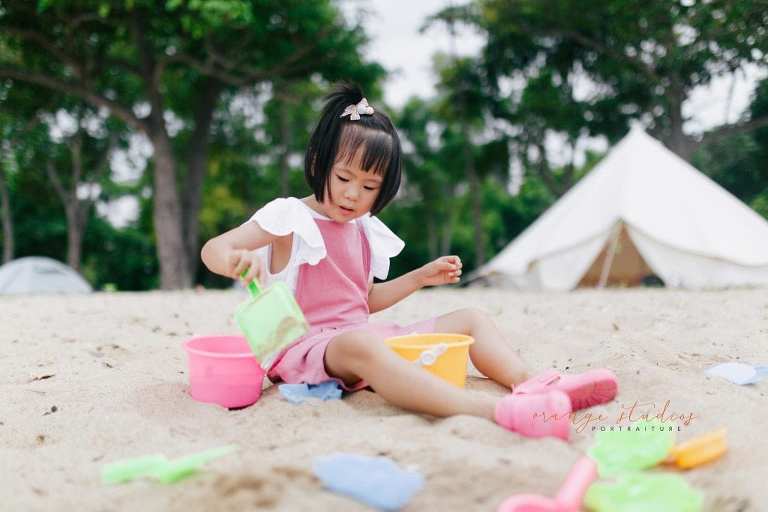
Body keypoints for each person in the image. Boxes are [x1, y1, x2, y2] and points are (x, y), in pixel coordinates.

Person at [201, 83, 617, 439]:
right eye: (344, 178)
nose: (352, 195)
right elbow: (213, 249)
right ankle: (490, 411)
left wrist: (420, 277)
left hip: (356, 340)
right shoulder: (289, 217)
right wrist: (237, 260)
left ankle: (529, 385)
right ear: (317, 163)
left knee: (469, 317)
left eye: (368, 186)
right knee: (362, 342)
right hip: (303, 349)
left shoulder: (363, 229)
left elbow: (362, 301)